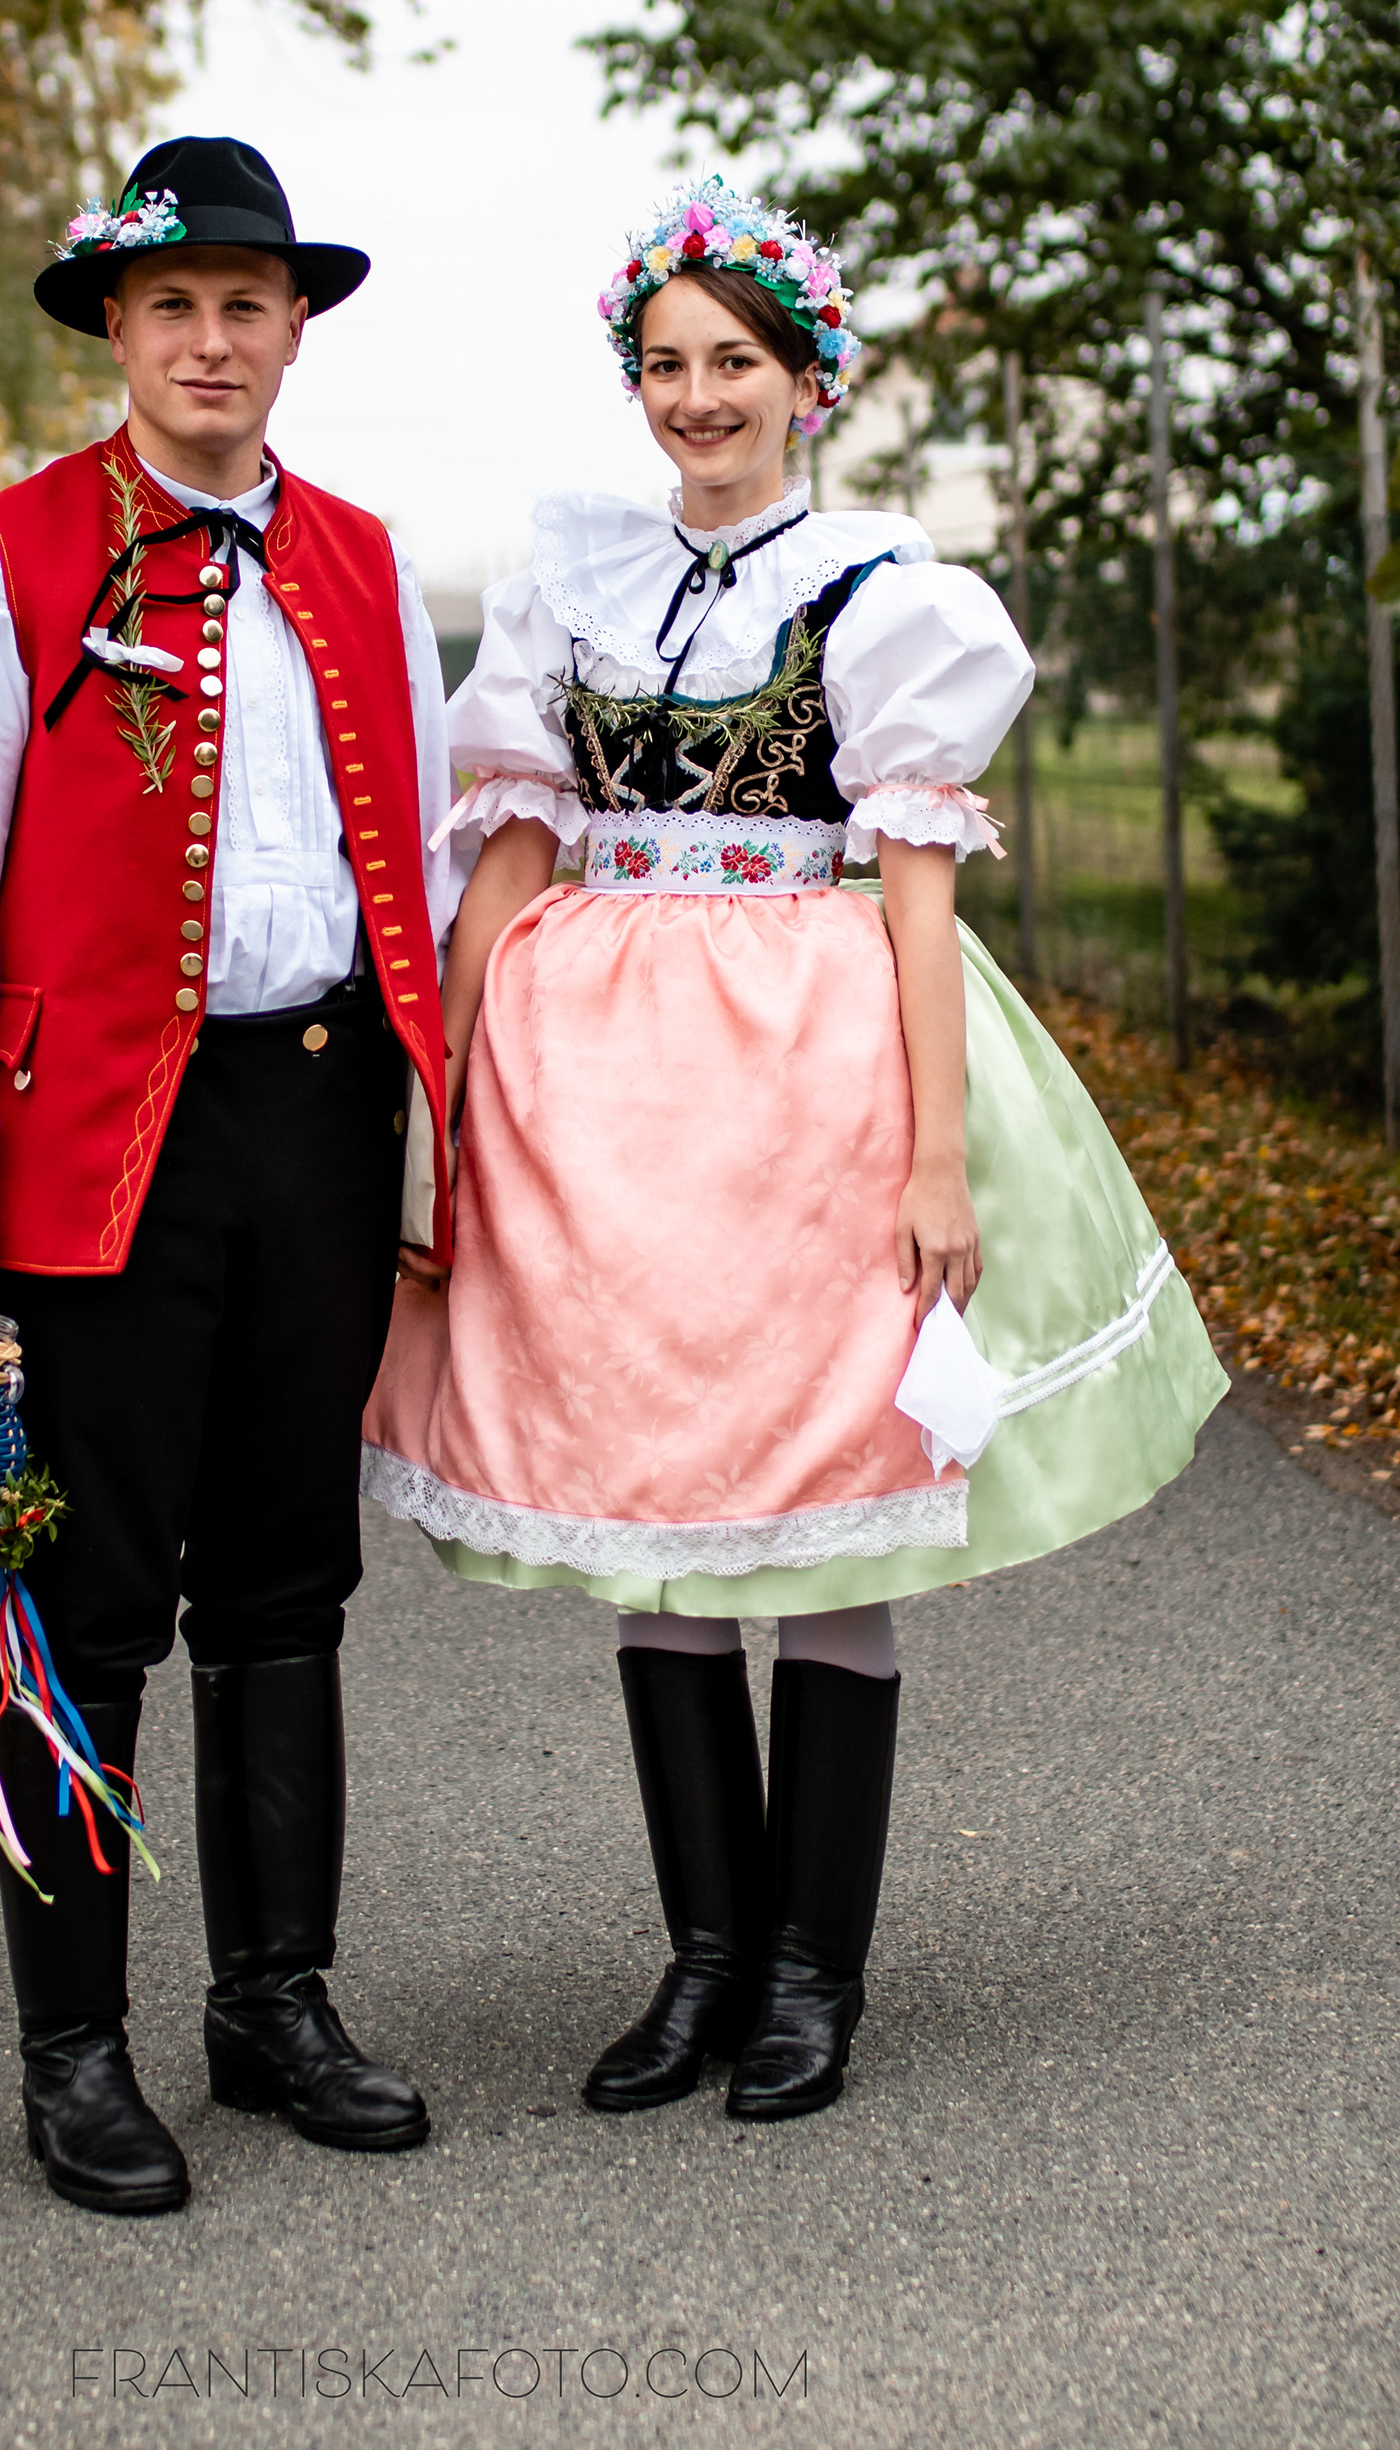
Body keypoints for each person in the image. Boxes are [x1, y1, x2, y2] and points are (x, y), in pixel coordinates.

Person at [364, 177, 1226, 2125]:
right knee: (651, 1499)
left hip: (803, 1072)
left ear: (805, 378)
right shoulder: (574, 580)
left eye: (735, 361)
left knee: (826, 1502)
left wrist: (936, 1156)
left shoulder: (883, 594)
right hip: (595, 1088)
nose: (698, 397)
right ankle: (705, 1960)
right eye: (667, 364)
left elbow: (915, 895)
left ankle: (811, 1977)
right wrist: (442, 1083)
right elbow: (512, 852)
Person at [0, 134, 456, 2216]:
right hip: (98, 1144)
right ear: (115, 326)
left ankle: (274, 2005)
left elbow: (424, 857)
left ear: (294, 331)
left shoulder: (363, 564)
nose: (211, 340)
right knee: (89, 1601)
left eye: (247, 304)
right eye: (173, 305)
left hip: (319, 1119)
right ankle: (72, 2055)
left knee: (288, 1579)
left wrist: (438, 1131)